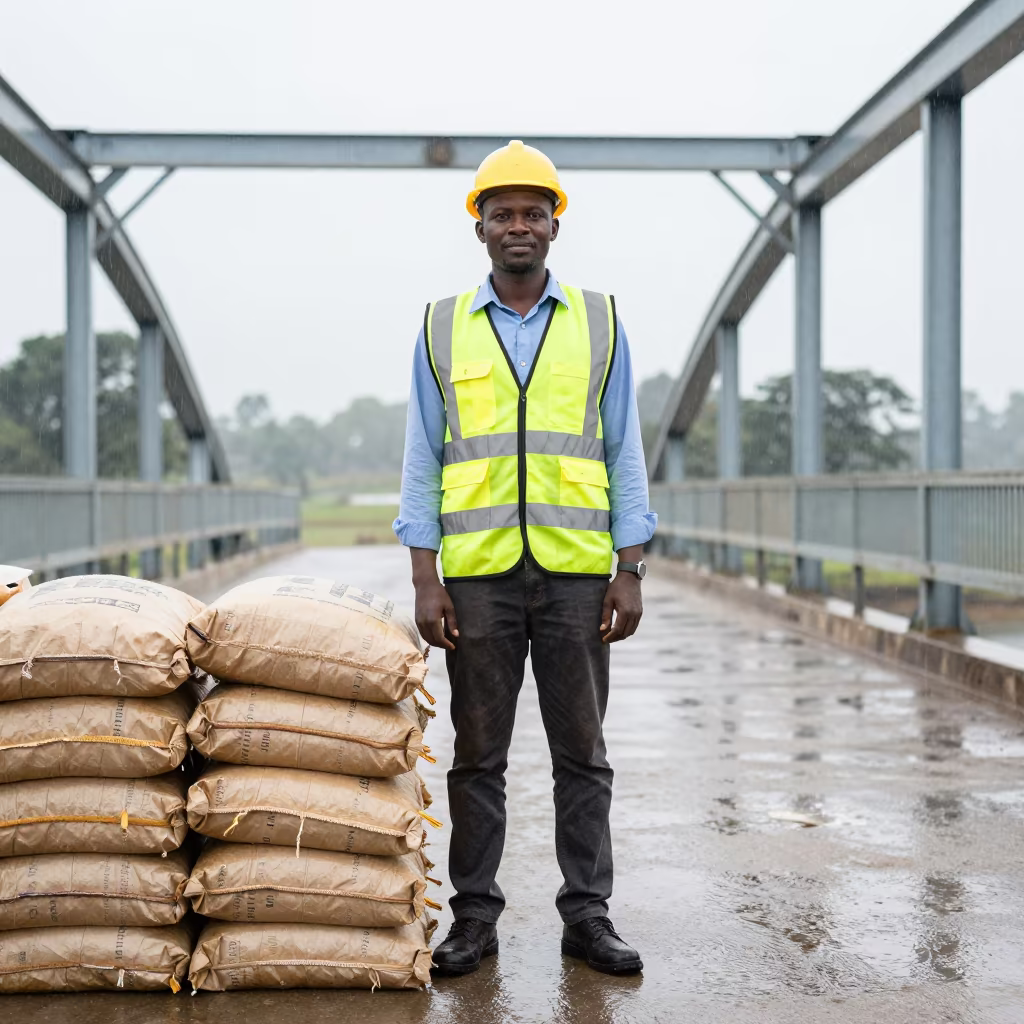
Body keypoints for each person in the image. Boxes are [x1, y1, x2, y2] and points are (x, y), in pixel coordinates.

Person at [394, 140, 657, 977]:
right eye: (502, 213)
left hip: (579, 573)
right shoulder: (441, 325)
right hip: (479, 578)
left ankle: (589, 916)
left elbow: (624, 449)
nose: (518, 226)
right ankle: (474, 919)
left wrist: (630, 564)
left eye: (532, 213)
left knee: (583, 755)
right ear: (480, 228)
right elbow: (423, 457)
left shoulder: (601, 319)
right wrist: (424, 576)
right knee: (478, 758)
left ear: (554, 226)